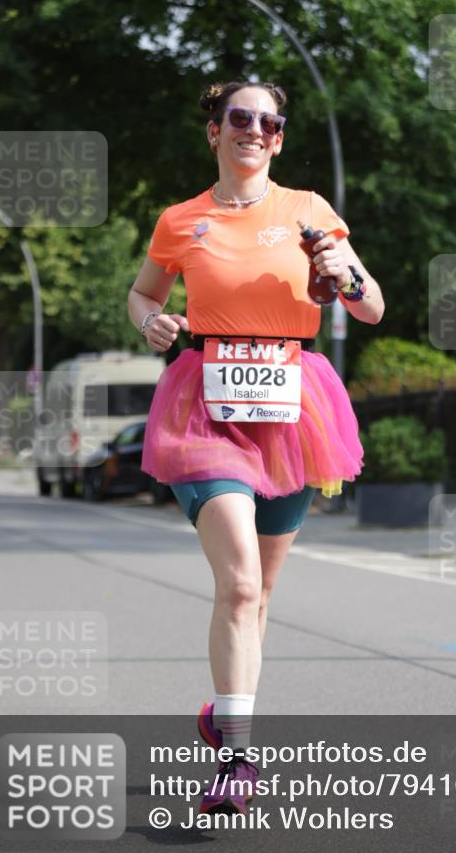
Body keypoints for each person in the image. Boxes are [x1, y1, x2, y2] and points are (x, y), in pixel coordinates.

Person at [128, 79, 384, 815]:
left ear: (277, 137)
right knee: (238, 584)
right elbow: (143, 293)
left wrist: (345, 273)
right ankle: (238, 760)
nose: (254, 130)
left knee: (260, 594)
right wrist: (150, 322)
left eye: (268, 122)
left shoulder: (307, 210)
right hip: (204, 407)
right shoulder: (182, 220)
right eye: (238, 118)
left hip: (291, 407)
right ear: (213, 130)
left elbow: (370, 306)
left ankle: (223, 711)